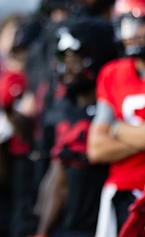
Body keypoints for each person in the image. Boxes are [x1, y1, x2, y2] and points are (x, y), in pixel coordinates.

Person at [33, 18, 118, 237]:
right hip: (67, 226)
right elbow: (56, 176)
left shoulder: (115, 108)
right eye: (65, 58)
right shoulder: (63, 109)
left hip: (105, 223)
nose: (68, 66)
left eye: (77, 58)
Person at [88, 0, 145, 237]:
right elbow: (96, 148)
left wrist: (118, 129)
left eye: (142, 23)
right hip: (121, 194)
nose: (134, 32)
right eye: (128, 23)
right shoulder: (112, 74)